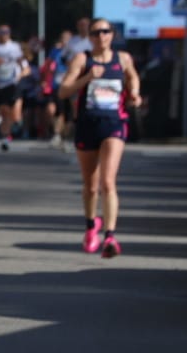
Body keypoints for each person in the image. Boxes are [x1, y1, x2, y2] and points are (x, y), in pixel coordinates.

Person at [58, 19, 141, 258]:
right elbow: (63, 91)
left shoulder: (122, 59)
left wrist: (135, 94)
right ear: (90, 36)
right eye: (96, 32)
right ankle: (90, 225)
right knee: (91, 185)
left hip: (114, 124)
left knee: (107, 182)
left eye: (105, 31)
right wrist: (86, 78)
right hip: (87, 125)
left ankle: (110, 236)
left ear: (112, 35)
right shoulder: (82, 59)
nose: (101, 36)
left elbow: (133, 78)